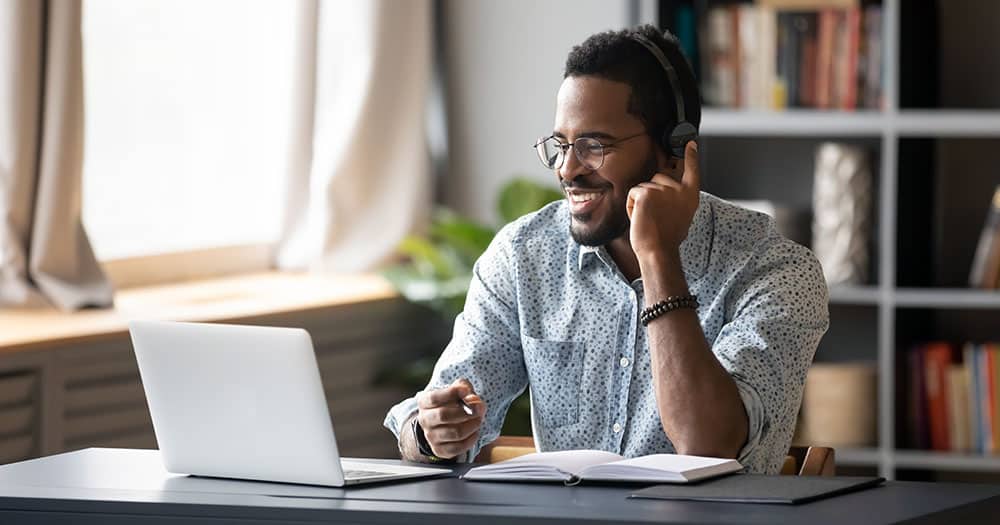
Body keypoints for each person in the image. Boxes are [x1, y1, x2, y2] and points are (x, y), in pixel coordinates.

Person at [384, 24, 829, 474]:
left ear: (675, 152)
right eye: (560, 145)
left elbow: (707, 445)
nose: (568, 169)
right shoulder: (524, 257)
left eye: (594, 146)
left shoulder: (775, 270)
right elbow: (437, 416)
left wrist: (658, 257)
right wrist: (430, 431)